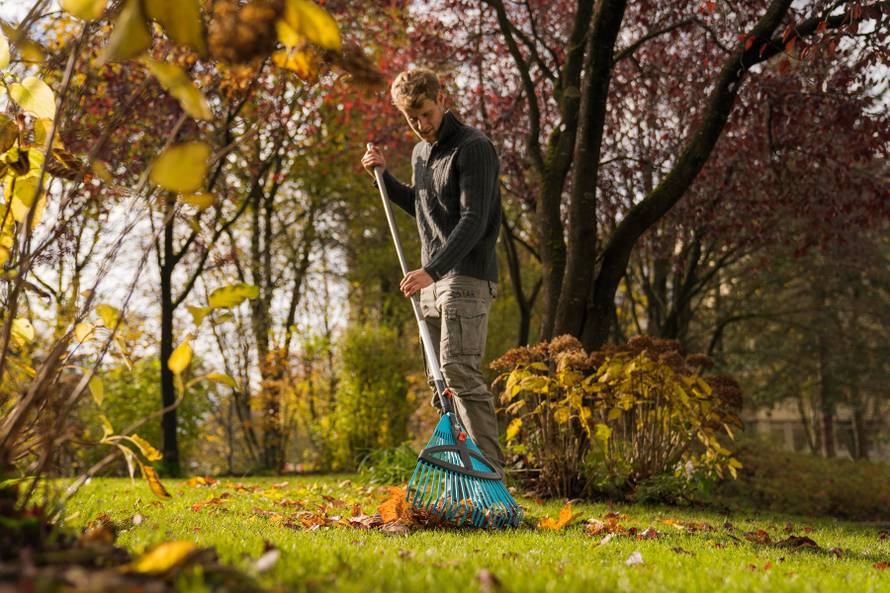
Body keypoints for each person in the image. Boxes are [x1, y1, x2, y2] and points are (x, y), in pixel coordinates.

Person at [361, 67, 505, 473]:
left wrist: (433, 269)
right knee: (440, 384)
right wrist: (382, 177)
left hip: (465, 275)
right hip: (433, 280)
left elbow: (474, 220)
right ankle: (466, 471)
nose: (422, 125)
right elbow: (420, 207)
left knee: (460, 373)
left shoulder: (473, 148)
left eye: (426, 113)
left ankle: (491, 476)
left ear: (443, 98)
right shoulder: (421, 154)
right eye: (412, 119)